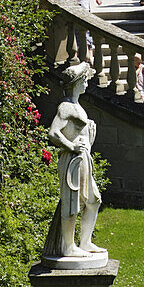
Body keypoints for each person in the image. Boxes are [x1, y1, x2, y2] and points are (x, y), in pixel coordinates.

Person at [42, 62, 105, 261]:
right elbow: (53, 132)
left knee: (94, 200)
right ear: (77, 83)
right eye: (85, 80)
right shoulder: (66, 107)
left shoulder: (76, 105)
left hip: (83, 158)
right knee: (72, 204)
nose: (87, 83)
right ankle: (68, 247)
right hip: (72, 160)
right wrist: (71, 146)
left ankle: (84, 242)